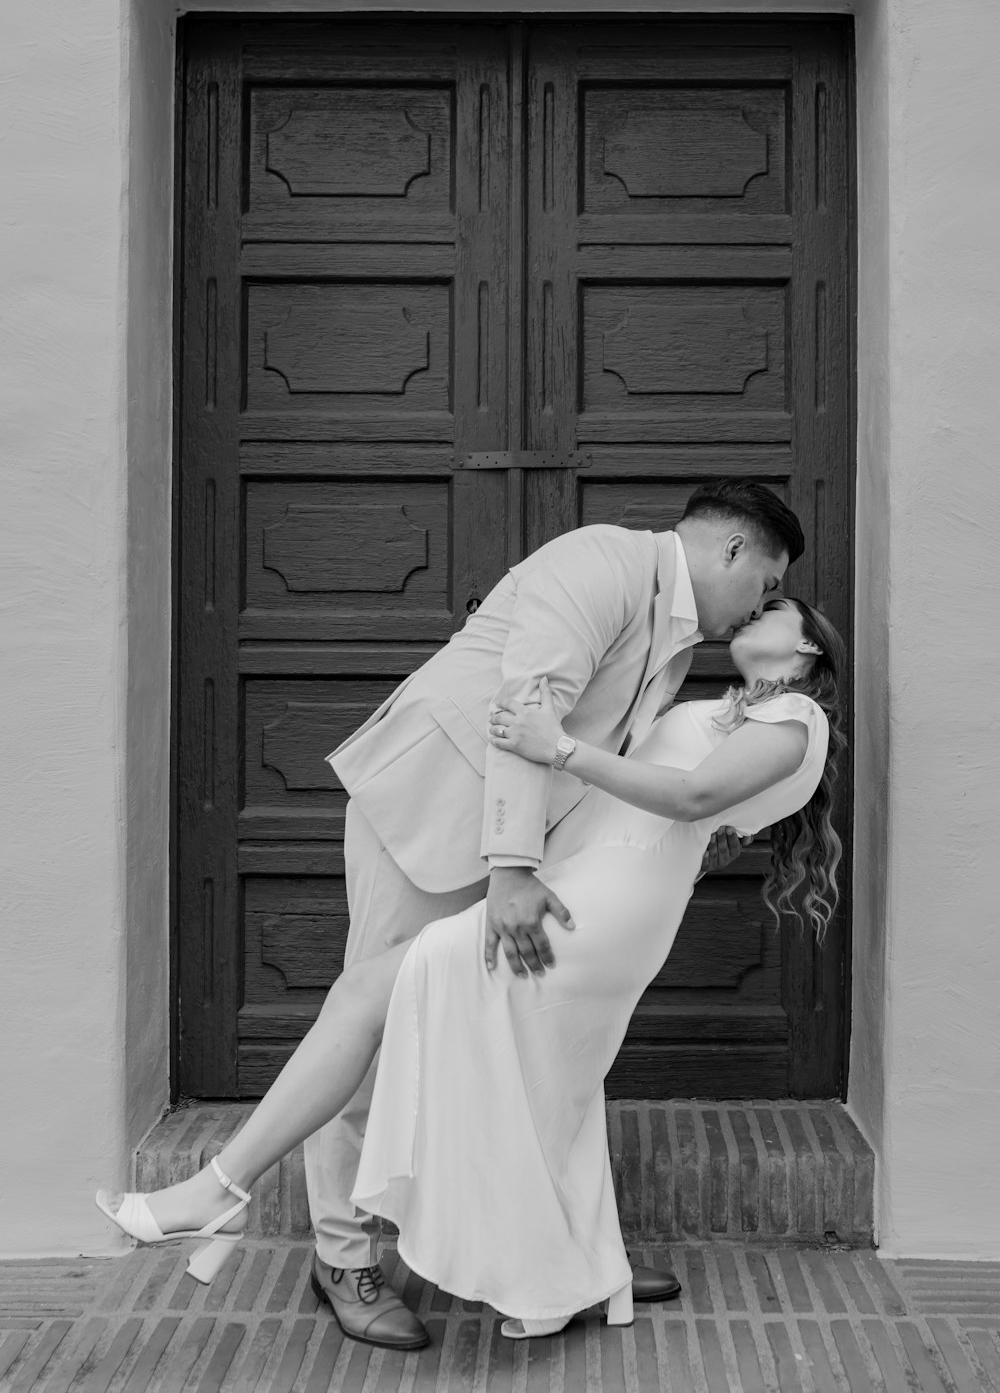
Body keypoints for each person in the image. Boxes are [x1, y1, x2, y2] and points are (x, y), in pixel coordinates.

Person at [96, 595, 845, 1345]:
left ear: (808, 649)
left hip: (597, 907)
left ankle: (217, 1188)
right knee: (546, 1084)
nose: (754, 609)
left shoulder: (798, 720)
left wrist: (554, 746)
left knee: (368, 996)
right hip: (600, 894)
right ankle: (579, 1265)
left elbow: (694, 798)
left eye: (775, 606)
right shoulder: (736, 713)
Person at [303, 477, 801, 1345]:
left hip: (526, 848)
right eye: (766, 582)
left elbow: (622, 759)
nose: (761, 605)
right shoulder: (599, 562)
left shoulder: (677, 643)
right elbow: (524, 710)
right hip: (432, 814)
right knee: (376, 1020)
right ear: (732, 550)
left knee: (524, 1037)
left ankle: (567, 1250)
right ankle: (342, 1253)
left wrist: (700, 831)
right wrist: (513, 869)